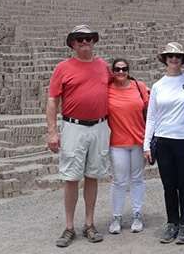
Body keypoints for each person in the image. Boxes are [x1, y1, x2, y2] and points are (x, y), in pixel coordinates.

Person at [46, 25, 111, 248]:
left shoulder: (103, 67)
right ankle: (69, 226)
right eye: (80, 39)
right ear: (72, 43)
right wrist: (53, 131)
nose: (85, 42)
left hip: (100, 127)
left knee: (93, 175)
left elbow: (117, 90)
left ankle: (90, 223)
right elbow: (53, 100)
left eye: (89, 38)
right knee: (71, 177)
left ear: (94, 41)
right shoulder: (63, 68)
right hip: (74, 127)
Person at [143, 42, 184, 245]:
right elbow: (152, 117)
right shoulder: (158, 86)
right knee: (168, 185)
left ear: (182, 60)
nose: (174, 59)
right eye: (170, 56)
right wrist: (146, 144)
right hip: (164, 140)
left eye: (177, 56)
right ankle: (172, 222)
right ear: (165, 59)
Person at [107, 58, 149, 235]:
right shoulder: (106, 90)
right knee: (119, 181)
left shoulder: (139, 87)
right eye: (117, 69)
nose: (121, 72)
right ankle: (116, 216)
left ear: (129, 70)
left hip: (138, 141)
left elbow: (151, 109)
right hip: (117, 142)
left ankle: (137, 214)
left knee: (137, 179)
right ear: (112, 71)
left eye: (124, 69)